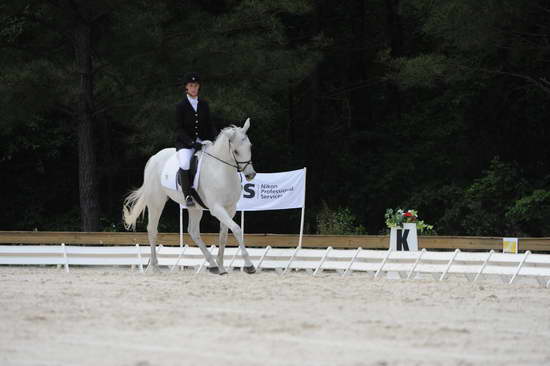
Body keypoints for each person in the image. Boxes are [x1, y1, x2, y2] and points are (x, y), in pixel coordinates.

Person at [175, 72, 218, 207]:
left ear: (199, 87)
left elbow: (209, 124)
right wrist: (191, 143)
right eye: (191, 85)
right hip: (185, 143)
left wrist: (214, 139)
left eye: (196, 85)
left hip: (202, 142)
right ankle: (187, 195)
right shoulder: (181, 106)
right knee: (185, 163)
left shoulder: (204, 104)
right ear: (186, 87)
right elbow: (179, 129)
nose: (193, 88)